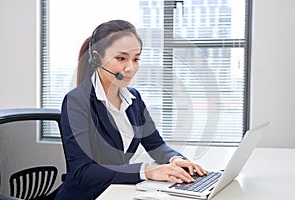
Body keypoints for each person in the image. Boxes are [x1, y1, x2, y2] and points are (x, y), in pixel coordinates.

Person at [55, 19, 207, 200]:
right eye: (121, 58)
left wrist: (176, 160)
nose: (130, 68)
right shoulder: (76, 101)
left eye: (136, 59)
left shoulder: (133, 99)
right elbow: (83, 171)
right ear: (97, 58)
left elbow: (155, 145)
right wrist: (148, 171)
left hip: (119, 191)